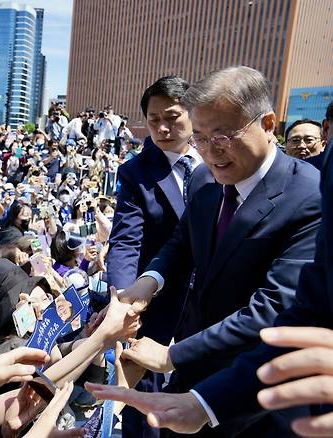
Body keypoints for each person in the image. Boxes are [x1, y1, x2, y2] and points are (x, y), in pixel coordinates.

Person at [99, 66, 322, 437]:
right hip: (195, 371)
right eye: (200, 138)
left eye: (222, 136)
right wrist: (147, 282)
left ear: (268, 124)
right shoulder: (204, 178)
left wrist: (172, 355)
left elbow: (273, 309)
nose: (209, 151)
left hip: (257, 390)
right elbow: (182, 243)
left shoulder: (311, 197)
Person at [105, 75, 207, 438]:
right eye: (153, 119)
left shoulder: (215, 158)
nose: (163, 128)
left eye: (173, 117)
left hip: (208, 297)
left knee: (200, 387)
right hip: (154, 297)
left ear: (192, 114)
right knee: (142, 394)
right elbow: (126, 240)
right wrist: (124, 297)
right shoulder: (135, 171)